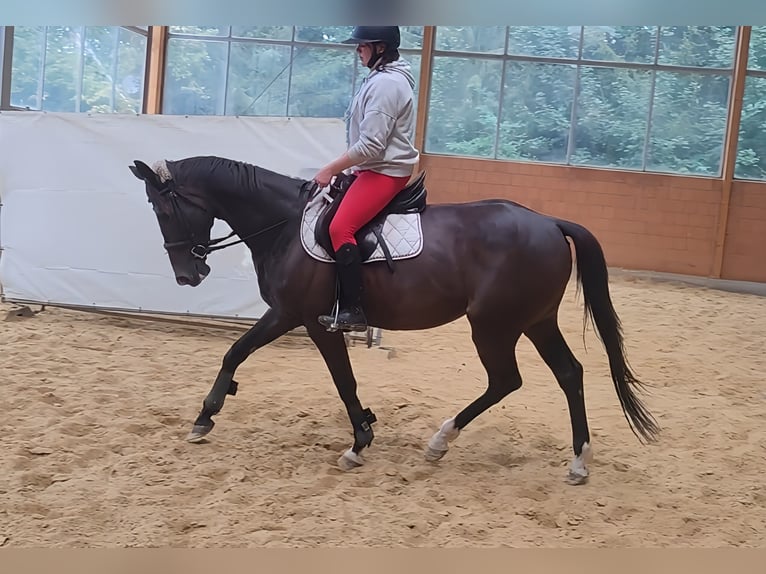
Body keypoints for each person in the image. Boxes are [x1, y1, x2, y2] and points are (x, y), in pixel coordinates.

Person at [314, 26, 420, 333]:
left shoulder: (387, 85)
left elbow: (372, 145)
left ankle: (353, 309)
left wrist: (331, 168)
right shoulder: (378, 78)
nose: (357, 49)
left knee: (339, 228)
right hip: (371, 167)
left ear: (381, 48)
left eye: (362, 45)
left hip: (385, 172)